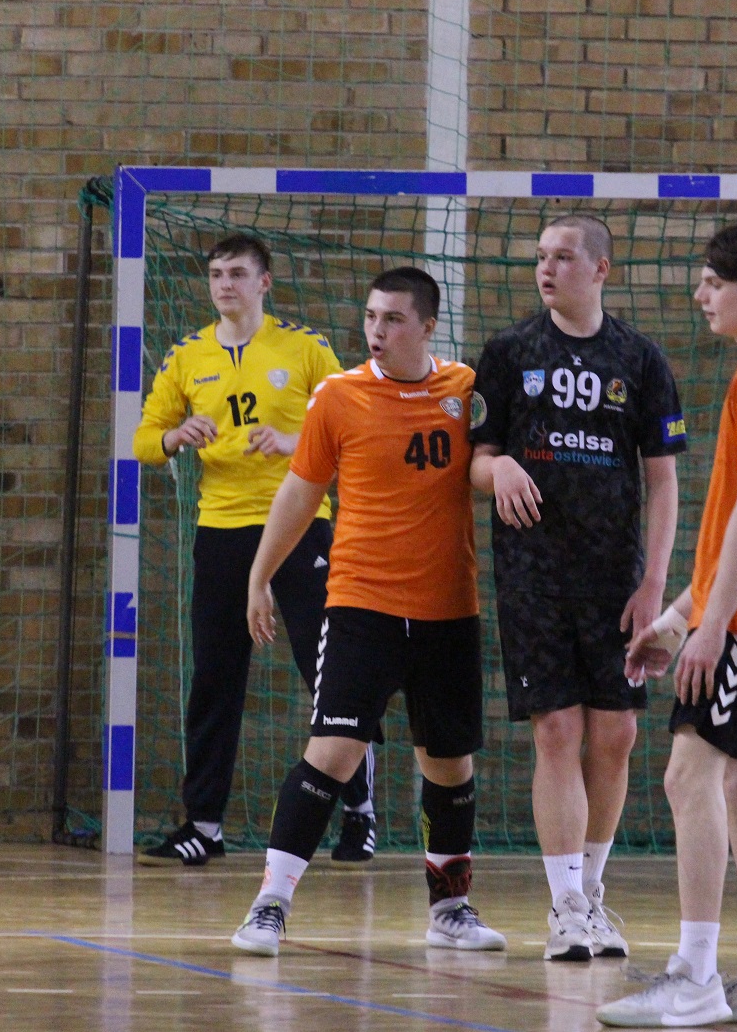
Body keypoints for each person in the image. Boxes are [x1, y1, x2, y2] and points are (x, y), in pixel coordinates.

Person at [229, 266, 506, 957]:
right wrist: (260, 576)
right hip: (362, 605)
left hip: (449, 608)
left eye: (393, 319)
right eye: (371, 317)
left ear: (428, 326)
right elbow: (300, 493)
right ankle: (270, 904)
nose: (376, 331)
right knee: (332, 752)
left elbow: (486, 464)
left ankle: (450, 908)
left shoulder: (465, 391)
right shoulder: (339, 396)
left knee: (449, 763)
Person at [596, 223, 737, 1026]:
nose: (700, 295)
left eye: (712, 282)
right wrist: (678, 616)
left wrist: (713, 625)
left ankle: (694, 976)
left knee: (686, 775)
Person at [469, 214, 685, 962]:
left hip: (615, 578)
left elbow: (663, 480)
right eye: (540, 256)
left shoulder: (641, 359)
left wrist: (654, 582)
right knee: (556, 730)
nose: (546, 268)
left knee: (617, 733)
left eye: (562, 256)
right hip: (533, 574)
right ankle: (563, 906)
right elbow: (474, 460)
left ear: (600, 269)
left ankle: (592, 893)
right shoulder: (508, 353)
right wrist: (497, 467)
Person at [132, 233, 378, 867]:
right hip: (221, 529)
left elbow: (355, 425)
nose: (225, 285)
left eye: (237, 274)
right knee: (215, 675)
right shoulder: (187, 356)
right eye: (217, 274)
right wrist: (175, 436)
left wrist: (295, 441)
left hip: (298, 524)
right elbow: (144, 439)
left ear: (264, 282)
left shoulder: (305, 348)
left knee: (326, 670)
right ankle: (204, 824)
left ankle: (360, 813)